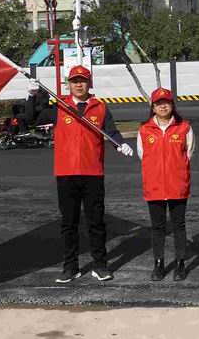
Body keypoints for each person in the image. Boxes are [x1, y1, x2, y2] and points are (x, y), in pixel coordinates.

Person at [54, 65, 135, 284]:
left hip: (92, 172)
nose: (78, 84)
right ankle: (71, 267)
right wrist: (32, 97)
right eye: (74, 81)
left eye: (82, 81)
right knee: (68, 222)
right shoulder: (60, 106)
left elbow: (111, 132)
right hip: (66, 173)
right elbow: (32, 116)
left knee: (96, 222)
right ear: (68, 84)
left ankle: (100, 265)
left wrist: (120, 144)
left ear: (89, 84)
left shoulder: (100, 108)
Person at [137, 88, 194, 282]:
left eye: (166, 102)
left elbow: (189, 153)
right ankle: (159, 264)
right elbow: (142, 155)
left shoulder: (184, 127)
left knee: (178, 225)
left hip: (177, 185)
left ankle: (180, 263)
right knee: (158, 227)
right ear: (152, 107)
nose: (163, 106)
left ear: (172, 105)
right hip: (154, 186)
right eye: (158, 103)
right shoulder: (144, 130)